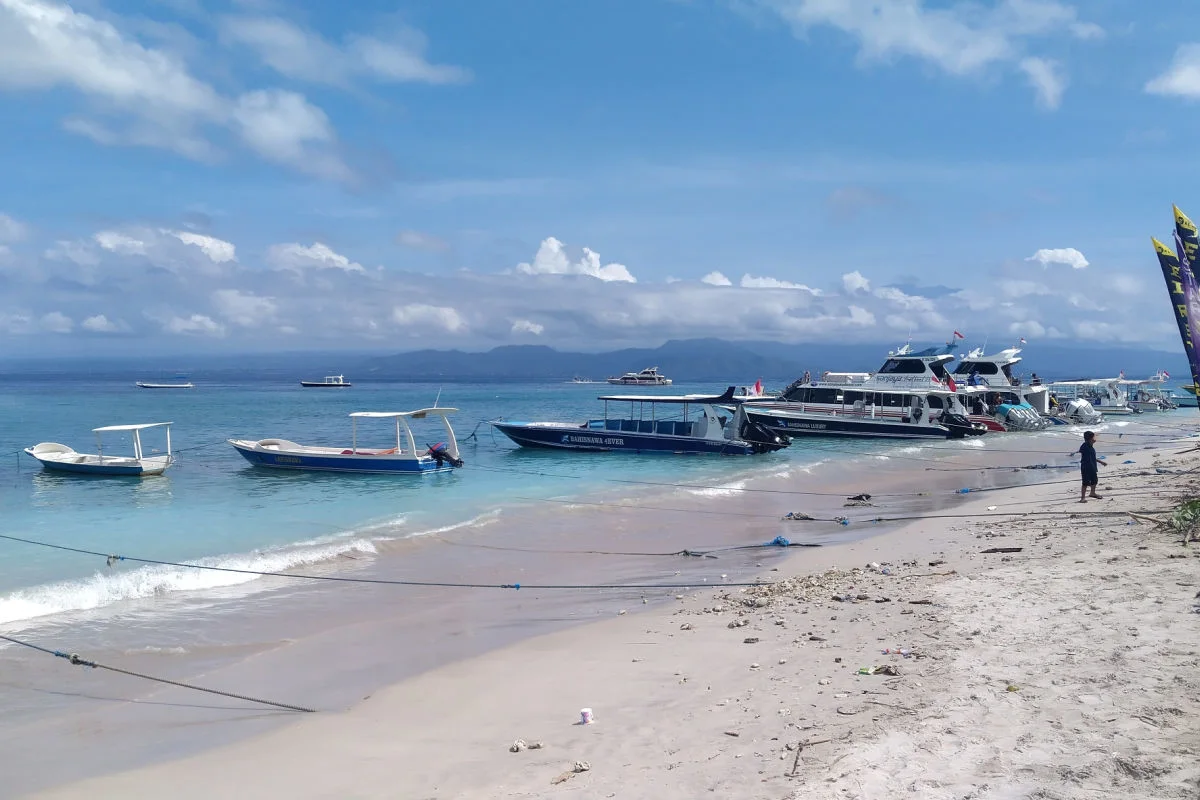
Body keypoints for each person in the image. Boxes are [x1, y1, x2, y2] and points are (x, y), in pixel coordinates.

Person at [1076, 431, 1106, 503]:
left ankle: (1092, 493)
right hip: (1086, 467)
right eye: (1093, 437)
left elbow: (1093, 458)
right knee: (1085, 483)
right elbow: (1081, 450)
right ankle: (1082, 498)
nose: (1095, 438)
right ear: (1090, 439)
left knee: (1094, 481)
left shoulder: (1091, 447)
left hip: (1092, 467)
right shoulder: (1085, 446)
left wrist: (1101, 462)